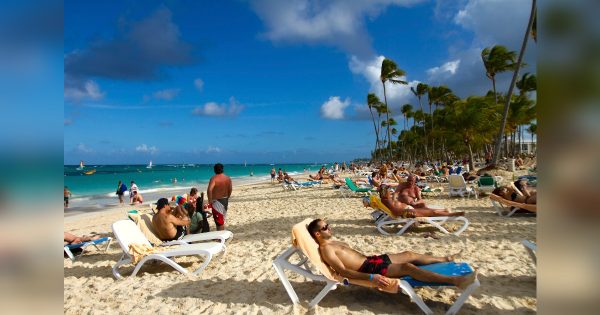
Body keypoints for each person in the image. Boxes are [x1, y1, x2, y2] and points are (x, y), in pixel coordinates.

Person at [307, 219, 476, 289]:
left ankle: (445, 259)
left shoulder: (333, 242)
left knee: (408, 254)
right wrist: (372, 278)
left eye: (328, 224)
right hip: (368, 269)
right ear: (317, 234)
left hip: (371, 260)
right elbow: (343, 272)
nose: (329, 227)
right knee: (408, 267)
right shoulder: (326, 249)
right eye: (325, 227)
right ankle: (455, 281)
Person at [379, 185, 464, 217]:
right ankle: (451, 214)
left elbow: (394, 207)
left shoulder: (386, 199)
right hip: (407, 212)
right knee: (431, 213)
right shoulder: (386, 200)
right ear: (385, 192)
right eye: (388, 190)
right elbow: (395, 211)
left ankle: (444, 210)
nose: (390, 192)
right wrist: (406, 211)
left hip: (408, 209)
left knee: (426, 209)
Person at [207, 163, 232, 231]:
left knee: (219, 222)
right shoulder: (228, 178)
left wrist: (210, 200)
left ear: (215, 170)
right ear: (222, 169)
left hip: (217, 202)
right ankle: (221, 236)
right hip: (225, 200)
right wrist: (228, 196)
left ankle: (219, 238)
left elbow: (209, 190)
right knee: (222, 220)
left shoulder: (214, 178)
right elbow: (230, 189)